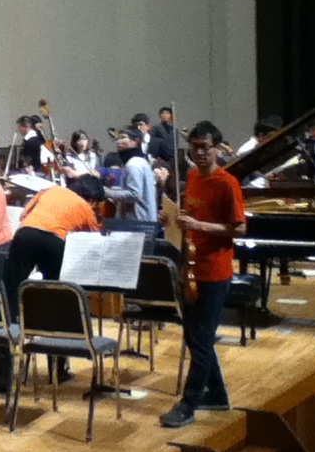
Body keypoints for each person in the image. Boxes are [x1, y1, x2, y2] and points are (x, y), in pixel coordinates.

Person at [159, 121, 246, 429]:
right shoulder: (193, 176)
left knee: (202, 339)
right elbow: (190, 214)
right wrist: (172, 218)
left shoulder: (227, 183)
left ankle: (189, 403)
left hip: (215, 270)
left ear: (217, 149)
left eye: (205, 148)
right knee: (196, 338)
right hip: (191, 266)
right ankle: (218, 395)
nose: (199, 153)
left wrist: (200, 227)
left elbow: (240, 229)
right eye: (194, 147)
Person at [0, 176, 106, 392]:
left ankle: (3, 378)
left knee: (9, 300)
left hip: (24, 235)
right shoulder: (84, 206)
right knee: (57, 300)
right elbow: (95, 238)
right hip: (54, 241)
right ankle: (58, 370)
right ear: (92, 199)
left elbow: (24, 215)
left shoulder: (49, 190)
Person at [105, 127, 159, 225]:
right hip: (146, 221)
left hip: (138, 223)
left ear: (136, 142)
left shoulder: (133, 164)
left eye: (123, 137)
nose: (119, 141)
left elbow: (134, 194)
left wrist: (108, 193)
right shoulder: (142, 161)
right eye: (118, 138)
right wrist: (115, 190)